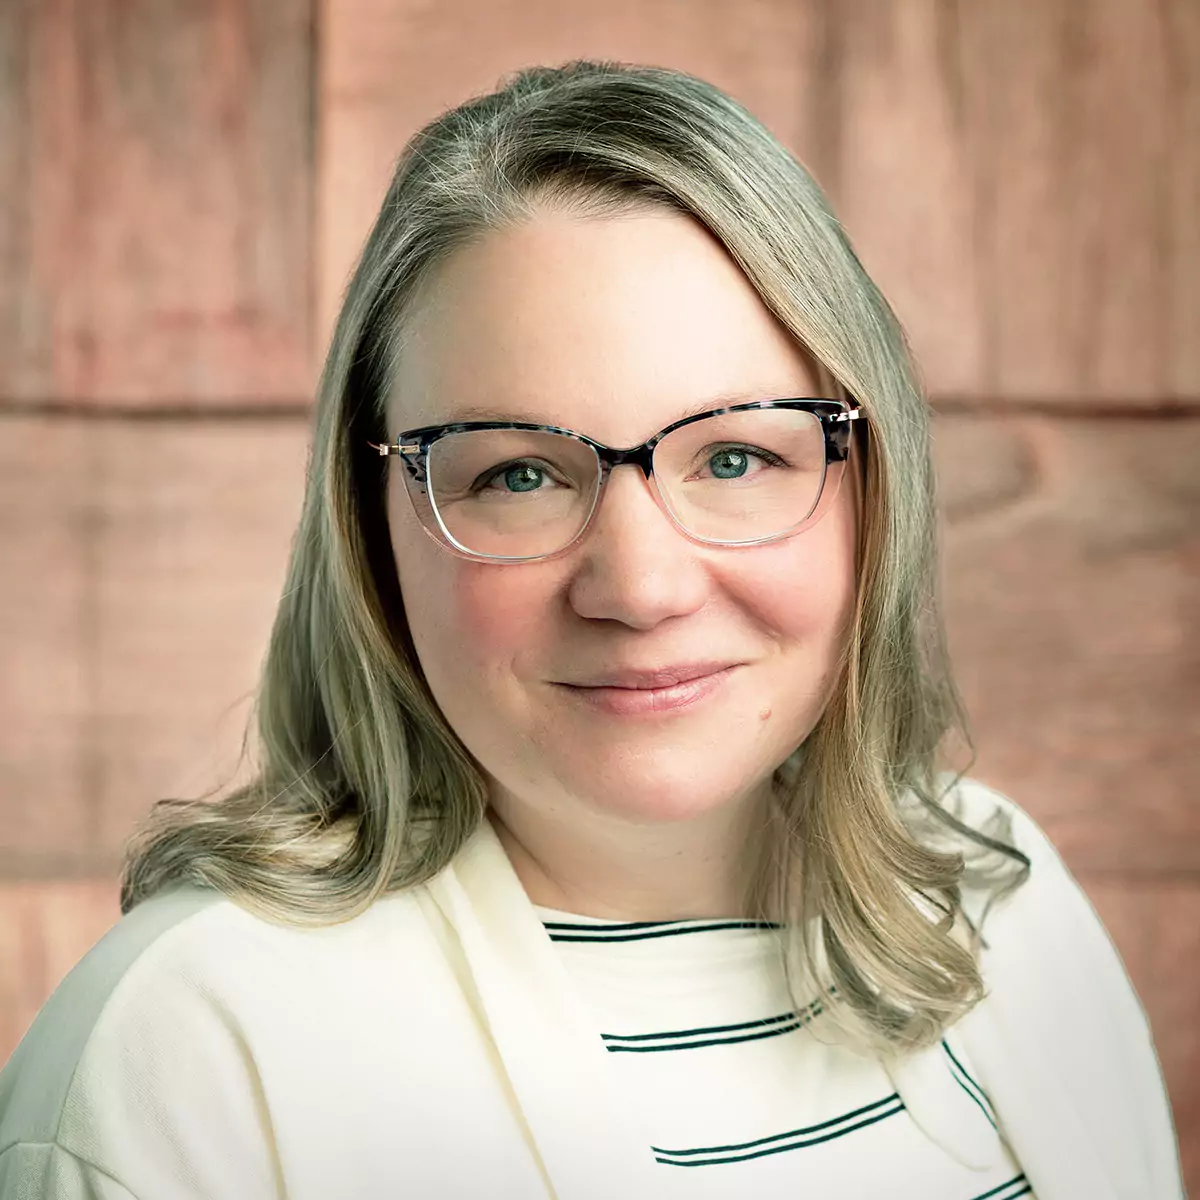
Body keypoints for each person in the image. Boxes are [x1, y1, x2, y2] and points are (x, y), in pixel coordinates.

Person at [0, 62, 1183, 1200]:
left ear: (875, 485)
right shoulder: (181, 1050)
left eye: (736, 456)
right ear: (376, 528)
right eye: (518, 473)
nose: (642, 587)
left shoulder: (997, 890)